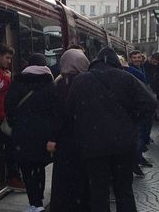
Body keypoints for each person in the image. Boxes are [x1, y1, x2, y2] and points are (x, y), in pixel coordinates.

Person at [66, 47, 157, 212]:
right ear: (115, 61)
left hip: (93, 146)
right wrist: (132, 119)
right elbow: (150, 102)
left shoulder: (81, 80)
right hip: (123, 144)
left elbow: (69, 111)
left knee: (98, 192)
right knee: (124, 190)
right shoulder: (126, 78)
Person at [5, 53, 57, 212]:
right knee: (39, 167)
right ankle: (39, 199)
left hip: (22, 133)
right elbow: (55, 110)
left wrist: (17, 124)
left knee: (27, 168)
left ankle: (34, 202)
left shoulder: (18, 81)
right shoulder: (50, 83)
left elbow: (9, 106)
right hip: (43, 135)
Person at [48, 48, 90, 212]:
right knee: (82, 177)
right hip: (86, 137)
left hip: (66, 139)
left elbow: (59, 114)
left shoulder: (62, 83)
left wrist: (53, 137)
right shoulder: (89, 81)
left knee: (64, 178)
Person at [0, 43, 23, 189]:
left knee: (4, 148)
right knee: (3, 148)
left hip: (2, 115)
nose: (9, 61)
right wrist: (9, 80)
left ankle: (8, 177)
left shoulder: (3, 71)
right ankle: (8, 177)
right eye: (7, 58)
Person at [119, 55, 153, 176]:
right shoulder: (134, 74)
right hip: (133, 112)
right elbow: (146, 92)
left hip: (124, 114)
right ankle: (134, 161)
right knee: (136, 137)